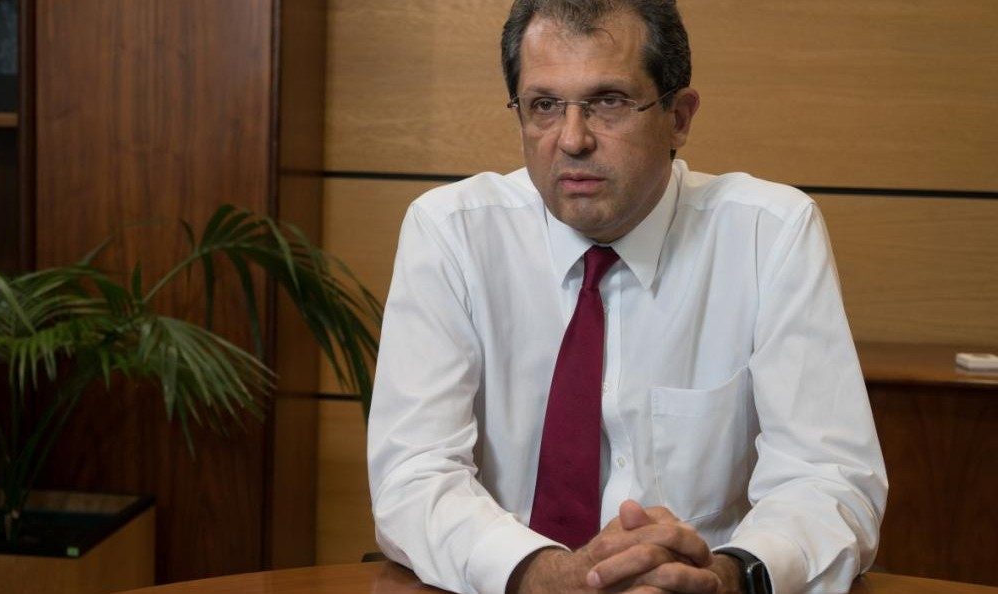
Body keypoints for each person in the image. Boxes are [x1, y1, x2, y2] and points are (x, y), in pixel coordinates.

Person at [367, 1, 887, 592]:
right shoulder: (452, 232)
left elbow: (828, 479)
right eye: (544, 105)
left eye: (609, 102)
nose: (572, 139)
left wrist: (725, 576)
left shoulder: (769, 233)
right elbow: (413, 476)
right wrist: (547, 576)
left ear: (678, 118)